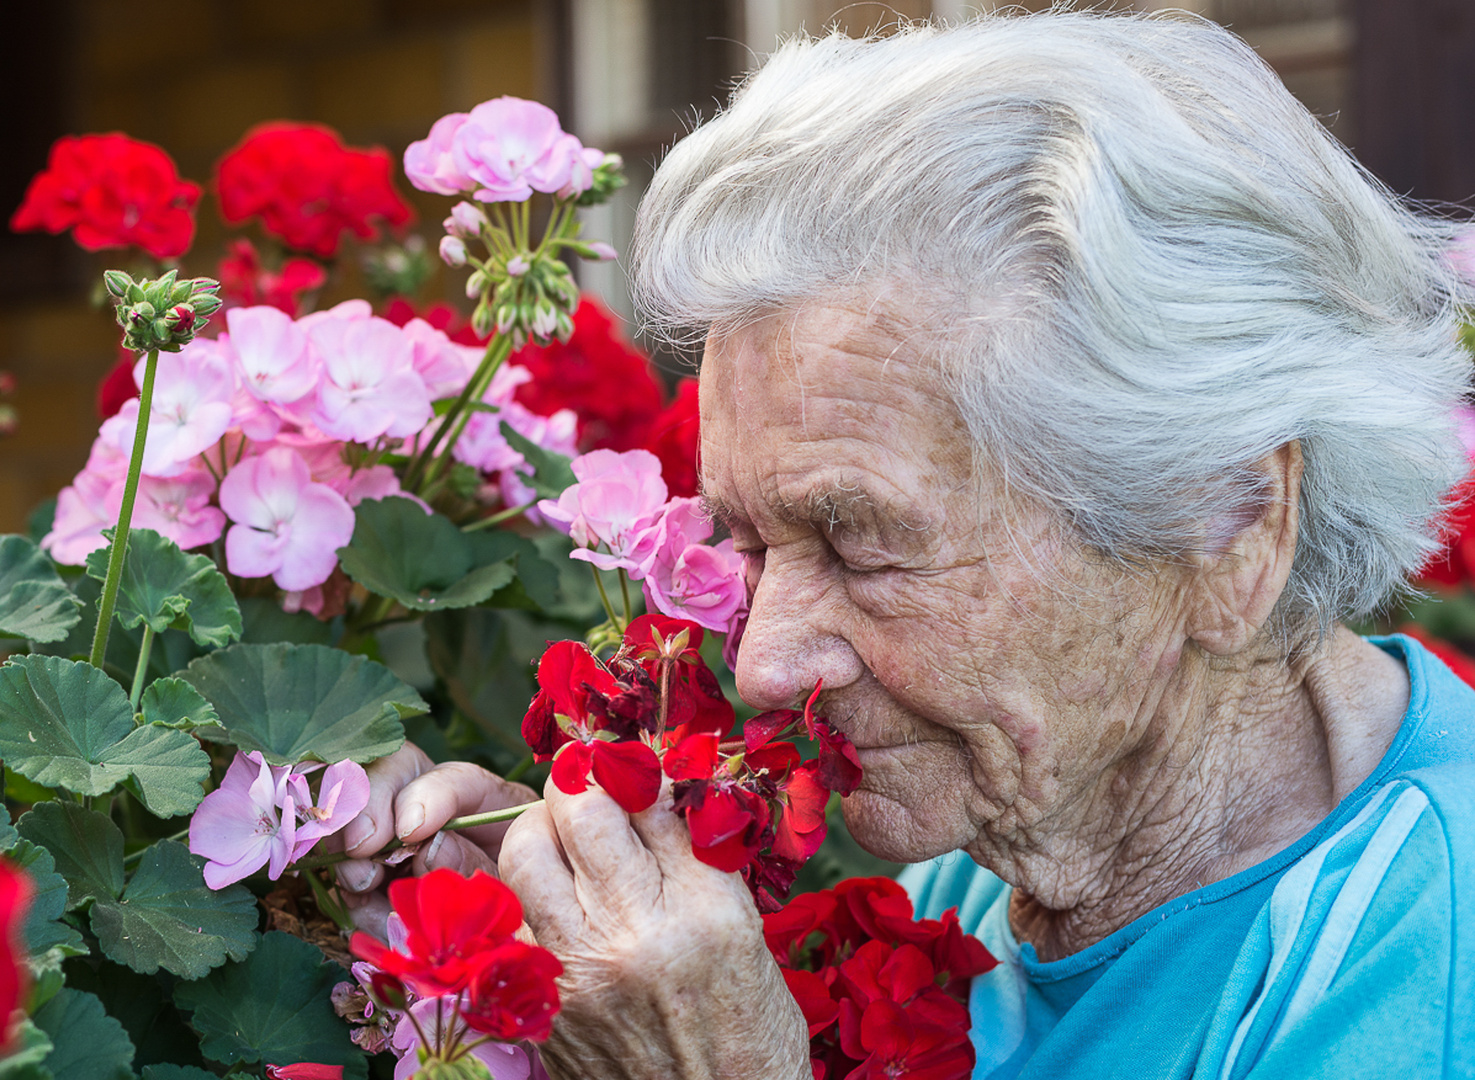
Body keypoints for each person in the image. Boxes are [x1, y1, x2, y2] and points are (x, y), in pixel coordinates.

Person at [333, 11, 1475, 1078]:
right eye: (748, 542)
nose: (764, 664)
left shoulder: (1421, 959)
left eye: (864, 550)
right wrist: (543, 948)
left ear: (1231, 525)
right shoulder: (999, 845)